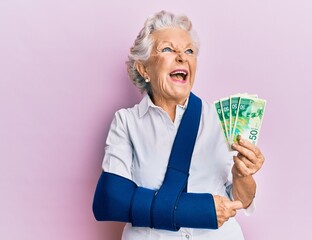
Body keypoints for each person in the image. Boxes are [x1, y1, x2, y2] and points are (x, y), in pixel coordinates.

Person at [92, 10, 265, 240]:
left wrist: (244, 176)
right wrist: (198, 210)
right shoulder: (126, 122)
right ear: (144, 69)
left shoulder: (221, 120)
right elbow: (111, 200)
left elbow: (240, 201)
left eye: (189, 51)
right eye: (168, 49)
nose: (182, 57)